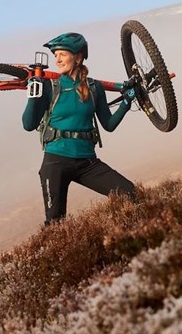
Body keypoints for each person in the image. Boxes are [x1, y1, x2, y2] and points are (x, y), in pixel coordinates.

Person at [23, 32, 138, 224]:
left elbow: (108, 125)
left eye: (62, 54)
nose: (57, 59)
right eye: (55, 55)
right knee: (56, 225)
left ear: (78, 57)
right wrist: (33, 95)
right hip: (55, 163)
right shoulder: (49, 86)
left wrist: (126, 102)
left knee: (129, 193)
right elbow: (28, 125)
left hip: (87, 162)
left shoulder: (94, 88)